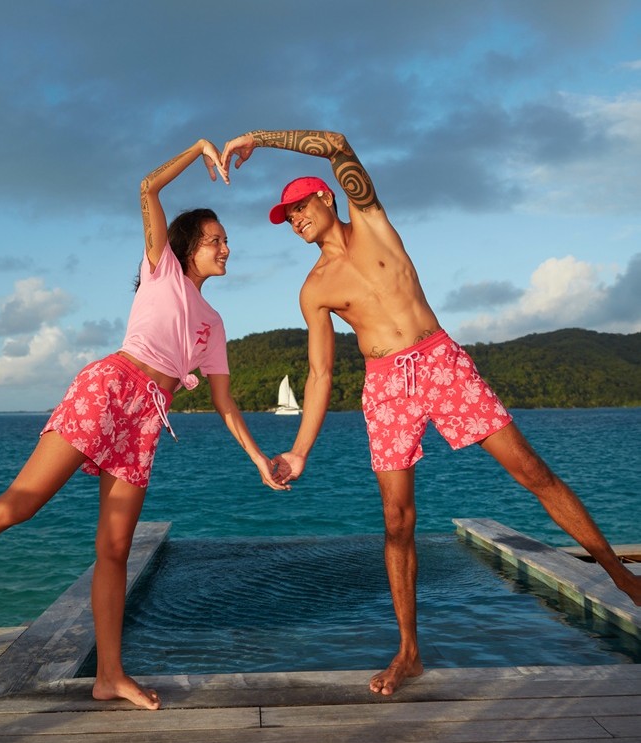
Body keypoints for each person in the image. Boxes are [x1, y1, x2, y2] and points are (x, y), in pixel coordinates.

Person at [221, 129, 641, 696]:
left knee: (533, 472)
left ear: (325, 197)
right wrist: (298, 450)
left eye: (298, 207)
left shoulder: (372, 223)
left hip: (441, 362)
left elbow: (336, 143)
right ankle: (409, 652)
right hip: (384, 386)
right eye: (286, 217)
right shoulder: (314, 288)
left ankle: (621, 577)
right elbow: (320, 375)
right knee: (397, 521)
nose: (294, 221)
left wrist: (260, 139)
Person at [0, 139, 289, 711]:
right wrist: (198, 150)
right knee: (24, 501)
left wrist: (260, 459)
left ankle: (109, 674)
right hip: (109, 389)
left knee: (115, 548)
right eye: (216, 240)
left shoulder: (213, 323)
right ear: (188, 246)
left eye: (226, 241)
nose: (226, 248)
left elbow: (226, 404)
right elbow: (147, 188)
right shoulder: (160, 268)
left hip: (147, 421)